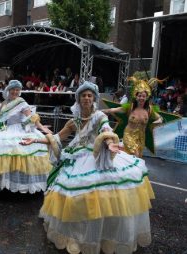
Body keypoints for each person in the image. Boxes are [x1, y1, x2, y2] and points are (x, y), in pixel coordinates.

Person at [21, 81, 154, 254]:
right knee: (75, 196)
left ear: (94, 99)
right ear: (78, 98)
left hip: (97, 155)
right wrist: (35, 139)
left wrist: (110, 142)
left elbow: (106, 129)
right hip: (78, 156)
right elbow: (57, 137)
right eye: (83, 95)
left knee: (105, 195)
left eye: (90, 95)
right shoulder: (73, 121)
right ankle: (77, 235)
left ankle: (105, 236)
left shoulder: (100, 116)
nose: (86, 98)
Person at [0, 80, 53, 193]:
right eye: (13, 89)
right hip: (7, 129)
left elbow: (31, 117)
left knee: (19, 152)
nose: (15, 91)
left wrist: (41, 127)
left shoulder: (21, 102)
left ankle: (18, 183)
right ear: (8, 90)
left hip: (19, 130)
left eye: (17, 89)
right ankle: (4, 183)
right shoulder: (5, 103)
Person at [103, 78, 163, 157]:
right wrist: (102, 111)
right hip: (129, 135)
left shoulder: (150, 110)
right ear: (136, 96)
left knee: (137, 156)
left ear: (146, 97)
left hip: (141, 138)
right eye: (139, 96)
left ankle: (120, 156)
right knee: (135, 154)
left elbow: (160, 118)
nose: (141, 98)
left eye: (143, 96)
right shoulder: (129, 107)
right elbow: (114, 110)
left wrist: (159, 121)